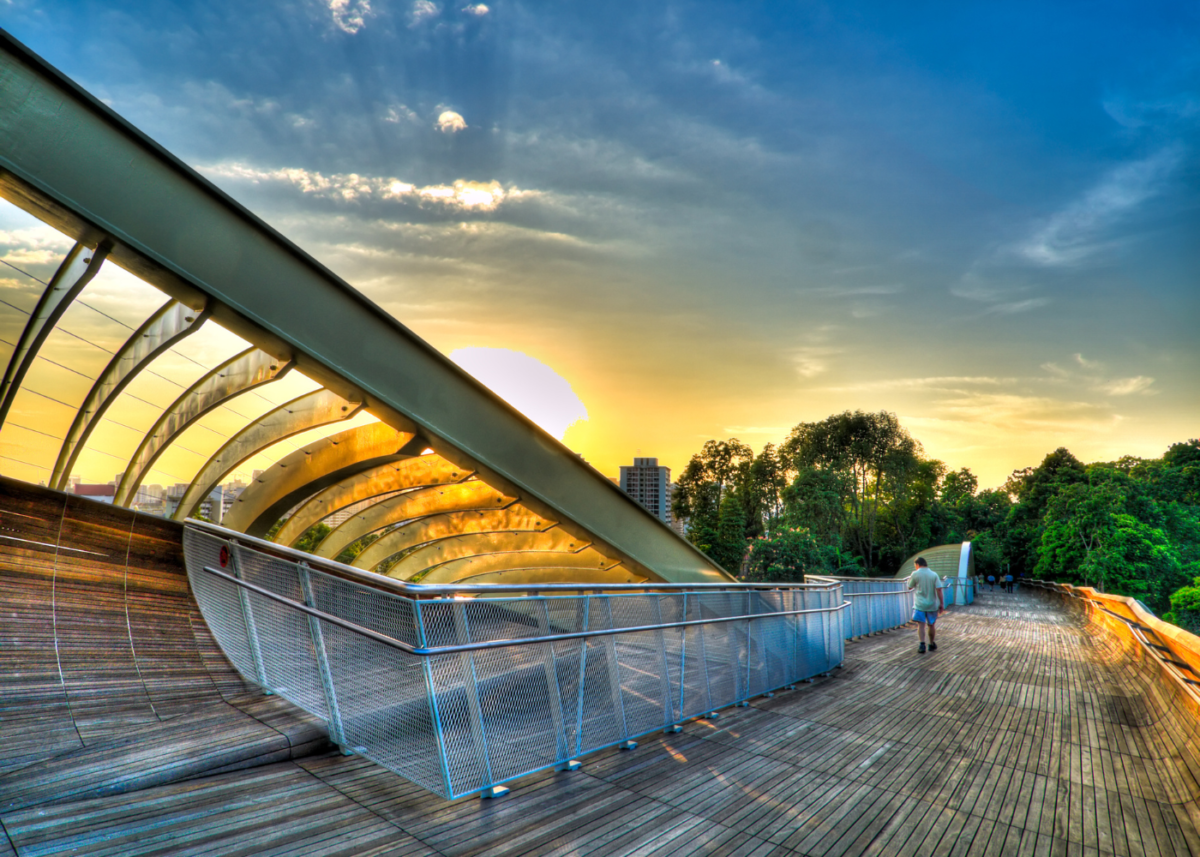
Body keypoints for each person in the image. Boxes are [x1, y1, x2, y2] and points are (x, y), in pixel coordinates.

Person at [907, 557, 944, 654]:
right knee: (931, 625)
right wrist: (941, 603)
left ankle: (922, 645)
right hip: (932, 605)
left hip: (920, 605)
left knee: (921, 625)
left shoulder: (915, 574)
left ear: (917, 564)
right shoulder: (934, 574)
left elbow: (910, 587)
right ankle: (931, 644)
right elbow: (939, 589)